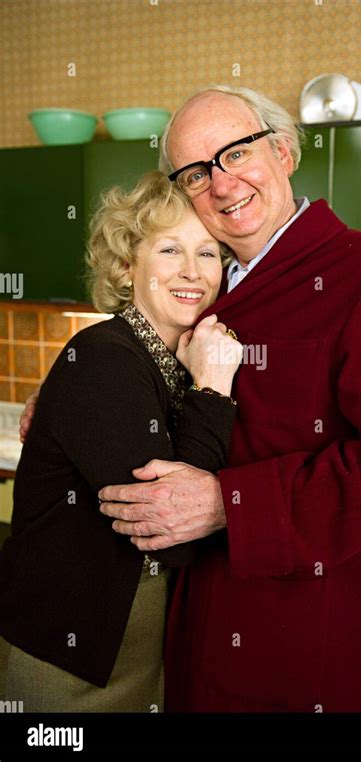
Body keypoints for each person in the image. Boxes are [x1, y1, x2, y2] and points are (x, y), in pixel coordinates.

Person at [22, 84, 361, 713]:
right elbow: (149, 372)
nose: (220, 184)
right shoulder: (207, 288)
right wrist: (65, 396)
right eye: (196, 172)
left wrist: (229, 504)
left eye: (236, 153)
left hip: (306, 634)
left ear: (283, 152)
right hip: (191, 624)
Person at [0, 170, 242, 712]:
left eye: (208, 254)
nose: (191, 272)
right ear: (127, 265)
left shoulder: (169, 360)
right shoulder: (107, 359)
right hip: (71, 669)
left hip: (139, 661)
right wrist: (214, 388)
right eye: (170, 249)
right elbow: (173, 530)